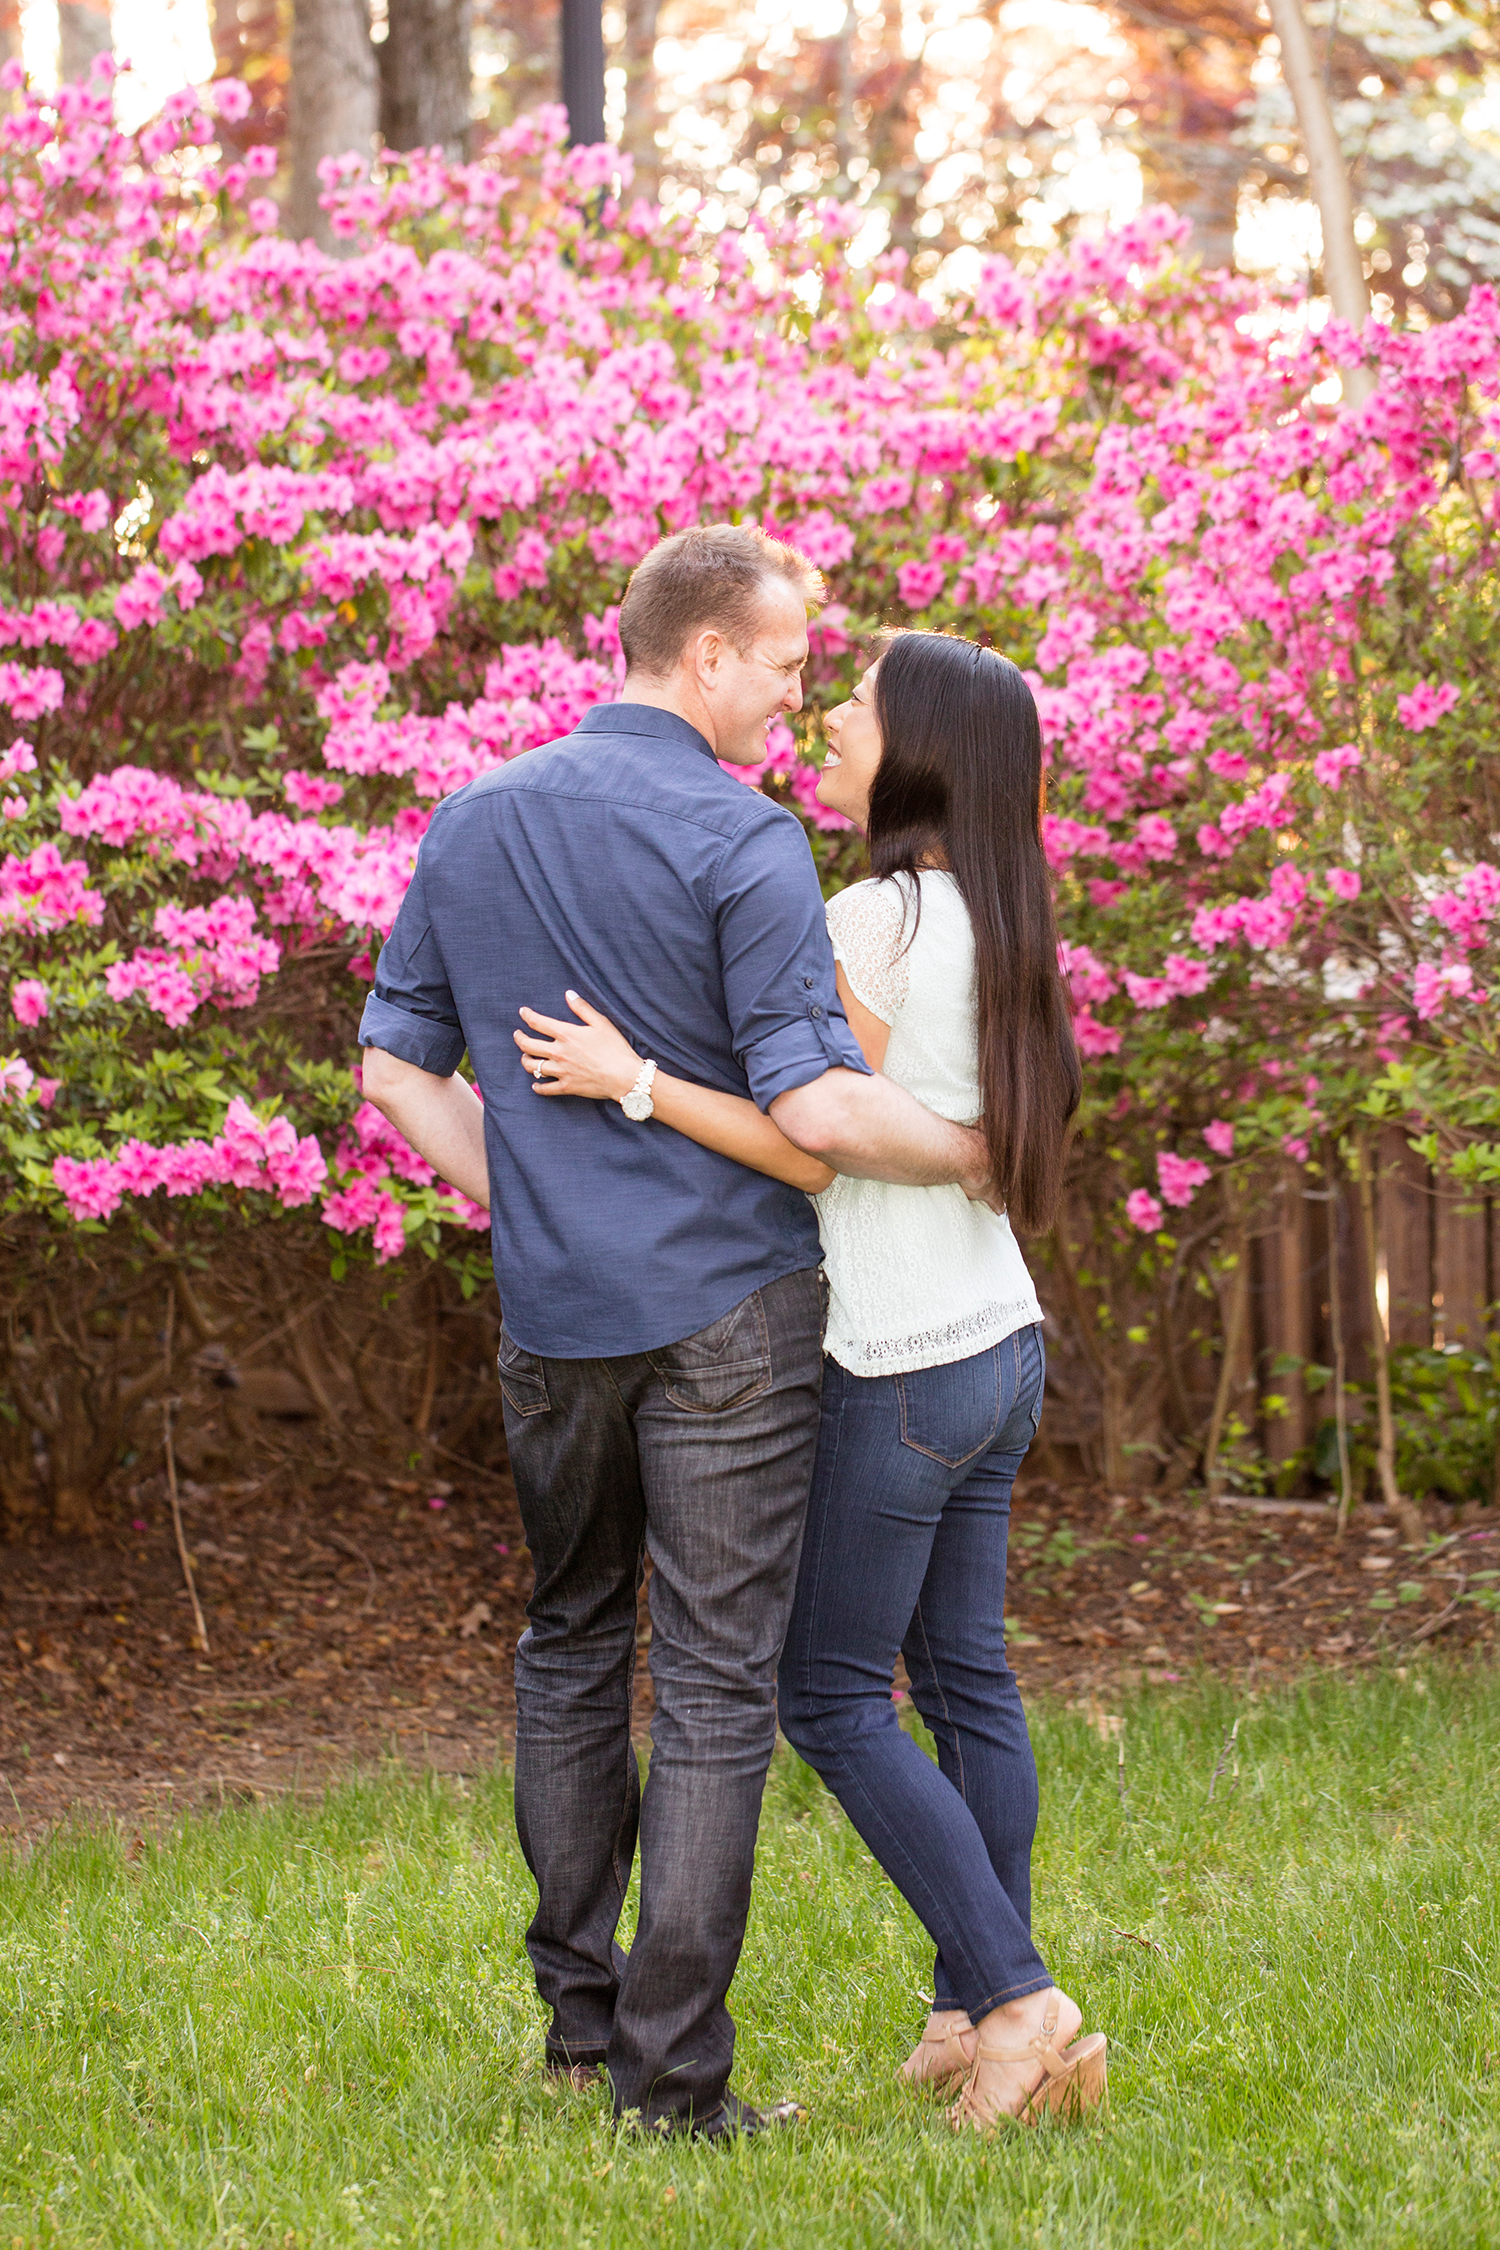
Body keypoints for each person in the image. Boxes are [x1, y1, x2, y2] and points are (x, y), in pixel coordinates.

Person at [356, 528, 1003, 2141]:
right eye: (787, 664)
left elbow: (391, 1071)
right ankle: (673, 2087)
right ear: (704, 654)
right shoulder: (746, 836)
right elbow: (805, 1109)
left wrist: (542, 1187)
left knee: (571, 1641)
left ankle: (580, 2034)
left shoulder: (476, 814)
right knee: (717, 1685)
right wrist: (975, 1142)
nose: (799, 694)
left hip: (556, 1314)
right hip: (732, 1317)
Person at [516, 629, 1107, 2130]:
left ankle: (1023, 1997)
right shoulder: (1005, 913)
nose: (827, 721)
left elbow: (813, 1122)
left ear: (915, 754)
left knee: (828, 1692)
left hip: (898, 1355)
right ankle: (972, 2011)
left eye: (855, 708)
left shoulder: (881, 918)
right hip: (1002, 1344)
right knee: (967, 1677)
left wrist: (635, 1080)